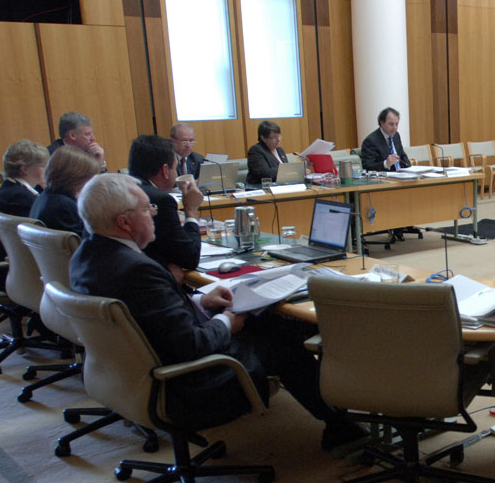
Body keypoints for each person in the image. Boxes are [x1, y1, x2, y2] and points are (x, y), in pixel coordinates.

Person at [69, 174, 363, 447]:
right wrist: (225, 321)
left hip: (128, 373)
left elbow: (150, 317)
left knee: (268, 321)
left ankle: (340, 418)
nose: (154, 215)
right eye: (147, 209)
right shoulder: (138, 271)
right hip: (189, 383)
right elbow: (191, 344)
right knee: (286, 340)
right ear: (124, 222)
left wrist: (201, 302)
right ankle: (342, 424)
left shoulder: (84, 256)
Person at [128, 134, 204, 272]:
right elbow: (190, 258)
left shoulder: (123, 188)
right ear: (165, 170)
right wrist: (191, 211)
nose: (176, 174)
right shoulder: (161, 200)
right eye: (175, 168)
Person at [0, 140, 49, 291]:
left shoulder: (9, 190)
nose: (48, 169)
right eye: (43, 165)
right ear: (24, 169)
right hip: (18, 275)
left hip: (12, 271)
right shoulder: (19, 198)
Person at [29, 146, 101, 238]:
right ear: (76, 177)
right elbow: (85, 241)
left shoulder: (44, 196)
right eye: (90, 178)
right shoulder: (63, 206)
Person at [360, 107, 412, 171]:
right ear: (382, 123)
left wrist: (411, 170)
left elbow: (402, 156)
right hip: (387, 175)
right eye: (391, 124)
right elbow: (367, 167)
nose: (395, 127)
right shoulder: (371, 141)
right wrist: (385, 164)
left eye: (396, 124)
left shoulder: (396, 135)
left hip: (402, 174)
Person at [246, 120, 288, 185]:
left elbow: (287, 169)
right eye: (275, 137)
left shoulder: (280, 150)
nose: (279, 139)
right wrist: (287, 170)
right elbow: (265, 174)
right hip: (262, 187)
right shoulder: (256, 150)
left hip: (282, 185)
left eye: (279, 136)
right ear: (263, 138)